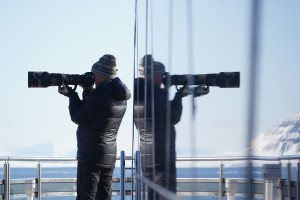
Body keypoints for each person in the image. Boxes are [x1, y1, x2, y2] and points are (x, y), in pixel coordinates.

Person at [58, 54, 131, 200]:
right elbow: (94, 112)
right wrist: (88, 90)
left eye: (95, 75)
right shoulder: (119, 96)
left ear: (102, 76)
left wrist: (72, 96)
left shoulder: (100, 96)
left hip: (91, 156)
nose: (93, 78)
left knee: (87, 196)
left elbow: (78, 116)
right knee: (103, 196)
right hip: (108, 156)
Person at [133, 55, 187, 200]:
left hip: (147, 154)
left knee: (153, 193)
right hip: (162, 154)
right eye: (162, 75)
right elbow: (173, 117)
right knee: (164, 193)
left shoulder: (138, 91)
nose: (164, 77)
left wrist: (164, 91)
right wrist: (178, 97)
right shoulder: (156, 93)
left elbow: (158, 112)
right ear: (156, 75)